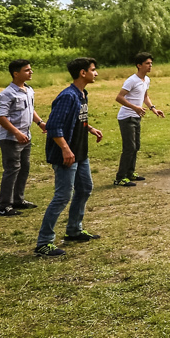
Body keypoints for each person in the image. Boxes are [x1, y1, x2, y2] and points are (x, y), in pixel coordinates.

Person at [35, 57, 104, 257]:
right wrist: (65, 149)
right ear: (83, 73)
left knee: (85, 188)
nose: (96, 73)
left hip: (80, 153)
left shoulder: (82, 94)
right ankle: (44, 242)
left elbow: (76, 118)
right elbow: (53, 126)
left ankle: (74, 230)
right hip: (66, 155)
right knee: (63, 196)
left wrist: (89, 128)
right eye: (93, 69)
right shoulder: (68, 96)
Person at [0, 59, 47, 217]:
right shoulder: (7, 94)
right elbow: (1, 117)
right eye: (27, 70)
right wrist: (16, 133)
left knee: (24, 168)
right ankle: (4, 206)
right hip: (11, 139)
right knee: (12, 170)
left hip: (26, 136)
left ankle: (18, 199)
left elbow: (31, 109)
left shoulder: (28, 90)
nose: (31, 72)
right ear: (16, 74)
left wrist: (40, 123)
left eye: (30, 69)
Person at [113, 52, 163, 187]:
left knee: (136, 146)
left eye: (151, 63)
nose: (150, 66)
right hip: (126, 117)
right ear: (139, 65)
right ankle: (120, 178)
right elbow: (119, 97)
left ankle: (130, 173)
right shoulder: (132, 80)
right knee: (129, 147)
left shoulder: (146, 80)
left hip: (136, 117)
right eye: (147, 63)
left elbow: (145, 96)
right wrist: (134, 107)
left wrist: (153, 109)